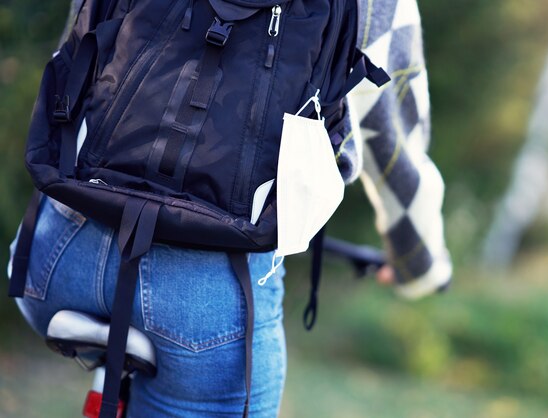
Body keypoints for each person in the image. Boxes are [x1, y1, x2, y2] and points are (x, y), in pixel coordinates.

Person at [8, 0, 451, 416]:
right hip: (209, 297)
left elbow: (76, 51)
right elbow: (395, 151)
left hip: (54, 256)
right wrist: (419, 265)